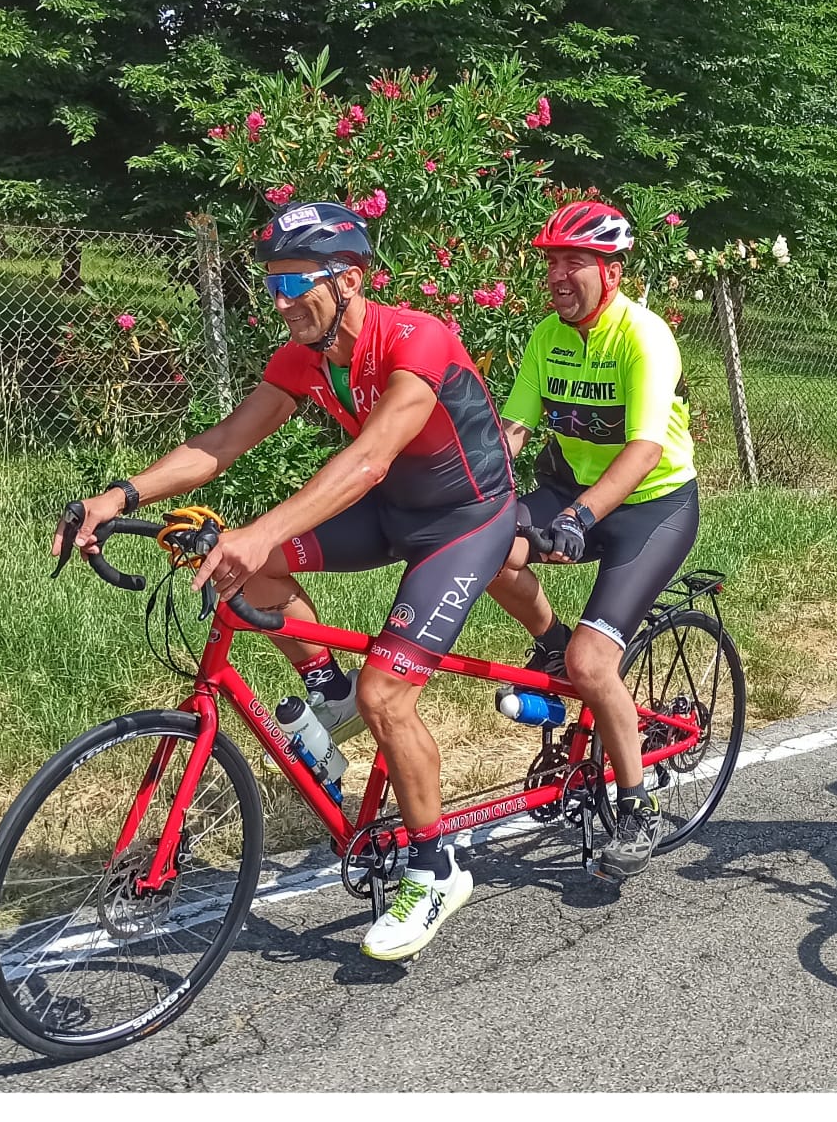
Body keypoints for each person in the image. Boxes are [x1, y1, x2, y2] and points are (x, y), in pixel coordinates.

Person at [53, 201, 515, 962]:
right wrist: (121, 494)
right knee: (252, 567)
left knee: (387, 692)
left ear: (350, 280)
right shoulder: (306, 352)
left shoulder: (415, 339)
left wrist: (263, 528)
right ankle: (327, 691)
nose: (279, 300)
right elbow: (225, 439)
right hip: (391, 512)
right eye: (270, 281)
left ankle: (436, 865)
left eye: (296, 280)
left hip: (464, 520)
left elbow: (367, 457)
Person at [485, 201, 700, 882]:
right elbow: (511, 434)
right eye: (550, 262)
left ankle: (636, 808)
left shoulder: (643, 336)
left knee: (591, 660)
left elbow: (641, 449)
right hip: (571, 486)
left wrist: (579, 517)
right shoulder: (547, 335)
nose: (556, 275)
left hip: (650, 506)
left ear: (609, 272)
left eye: (572, 262)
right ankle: (549, 639)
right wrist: (460, 491)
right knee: (480, 546)